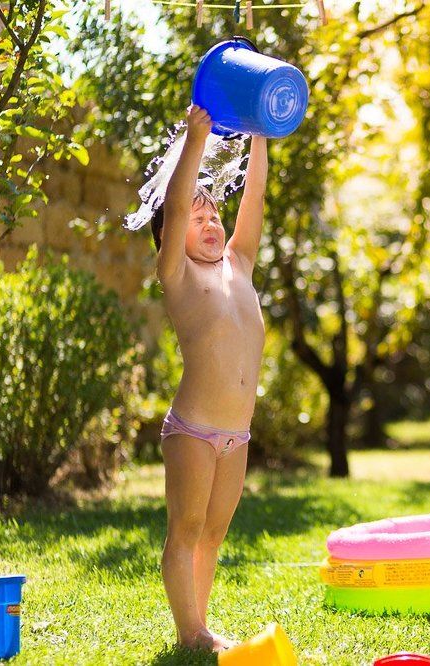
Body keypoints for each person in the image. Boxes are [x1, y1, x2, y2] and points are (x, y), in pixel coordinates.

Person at [151, 104, 268, 652]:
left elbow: (254, 202)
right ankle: (189, 631)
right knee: (187, 528)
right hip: (194, 428)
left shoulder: (239, 264)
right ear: (172, 237)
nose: (210, 223)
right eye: (199, 221)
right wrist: (196, 140)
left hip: (237, 434)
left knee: (214, 535)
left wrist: (260, 138)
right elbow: (175, 207)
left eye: (213, 216)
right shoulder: (176, 275)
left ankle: (199, 627)